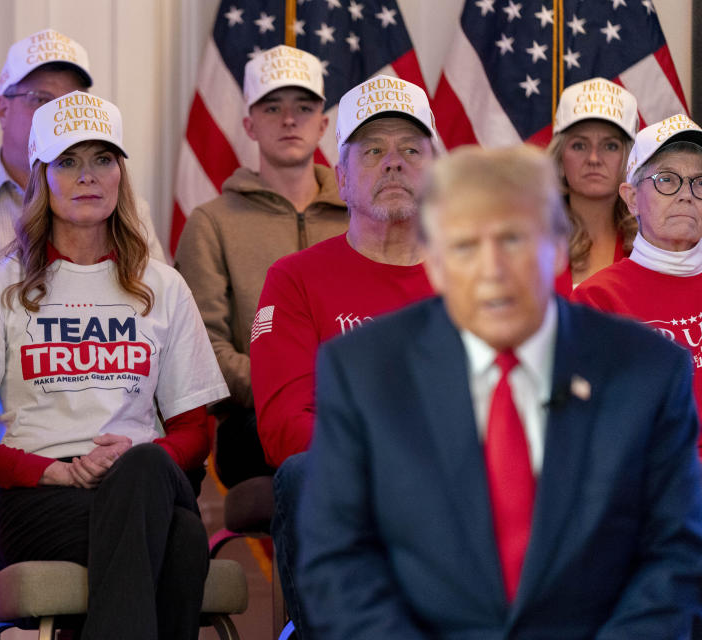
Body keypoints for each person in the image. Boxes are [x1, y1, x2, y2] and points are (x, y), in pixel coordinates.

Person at [298, 144, 702, 639]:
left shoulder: (648, 372)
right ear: (435, 260)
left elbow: (673, 558)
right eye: (466, 245)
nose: (493, 269)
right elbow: (339, 565)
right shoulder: (364, 373)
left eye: (514, 239)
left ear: (556, 243)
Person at [0, 28, 165, 637]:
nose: (58, 112)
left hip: (92, 404)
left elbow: (155, 313)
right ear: (3, 108)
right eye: (42, 98)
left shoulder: (123, 206)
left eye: (70, 99)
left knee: (159, 472)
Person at [0, 91, 229, 640]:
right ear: (42, 178)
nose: (87, 176)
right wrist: (57, 471)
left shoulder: (162, 286)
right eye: (68, 161)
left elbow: (195, 432)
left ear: (121, 174)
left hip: (144, 477)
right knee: (184, 542)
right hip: (38, 495)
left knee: (142, 470)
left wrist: (146, 457)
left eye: (102, 159)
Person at [248, 74, 438, 638]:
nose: (394, 163)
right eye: (374, 149)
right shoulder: (295, 279)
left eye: (410, 149)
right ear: (342, 172)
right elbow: (285, 425)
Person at [174, 44, 348, 488]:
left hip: (362, 404)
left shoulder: (361, 216)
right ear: (249, 125)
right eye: (273, 107)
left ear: (324, 124)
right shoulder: (211, 222)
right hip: (253, 419)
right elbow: (202, 350)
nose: (289, 119)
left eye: (304, 107)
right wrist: (293, 387)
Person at [573, 114, 702, 452]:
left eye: (700, 182)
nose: (687, 195)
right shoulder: (596, 299)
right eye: (667, 180)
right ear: (631, 199)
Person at [548, 78, 638, 294]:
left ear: (630, 159)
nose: (594, 158)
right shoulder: (530, 239)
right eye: (579, 145)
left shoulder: (652, 244)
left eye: (610, 145)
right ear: (560, 158)